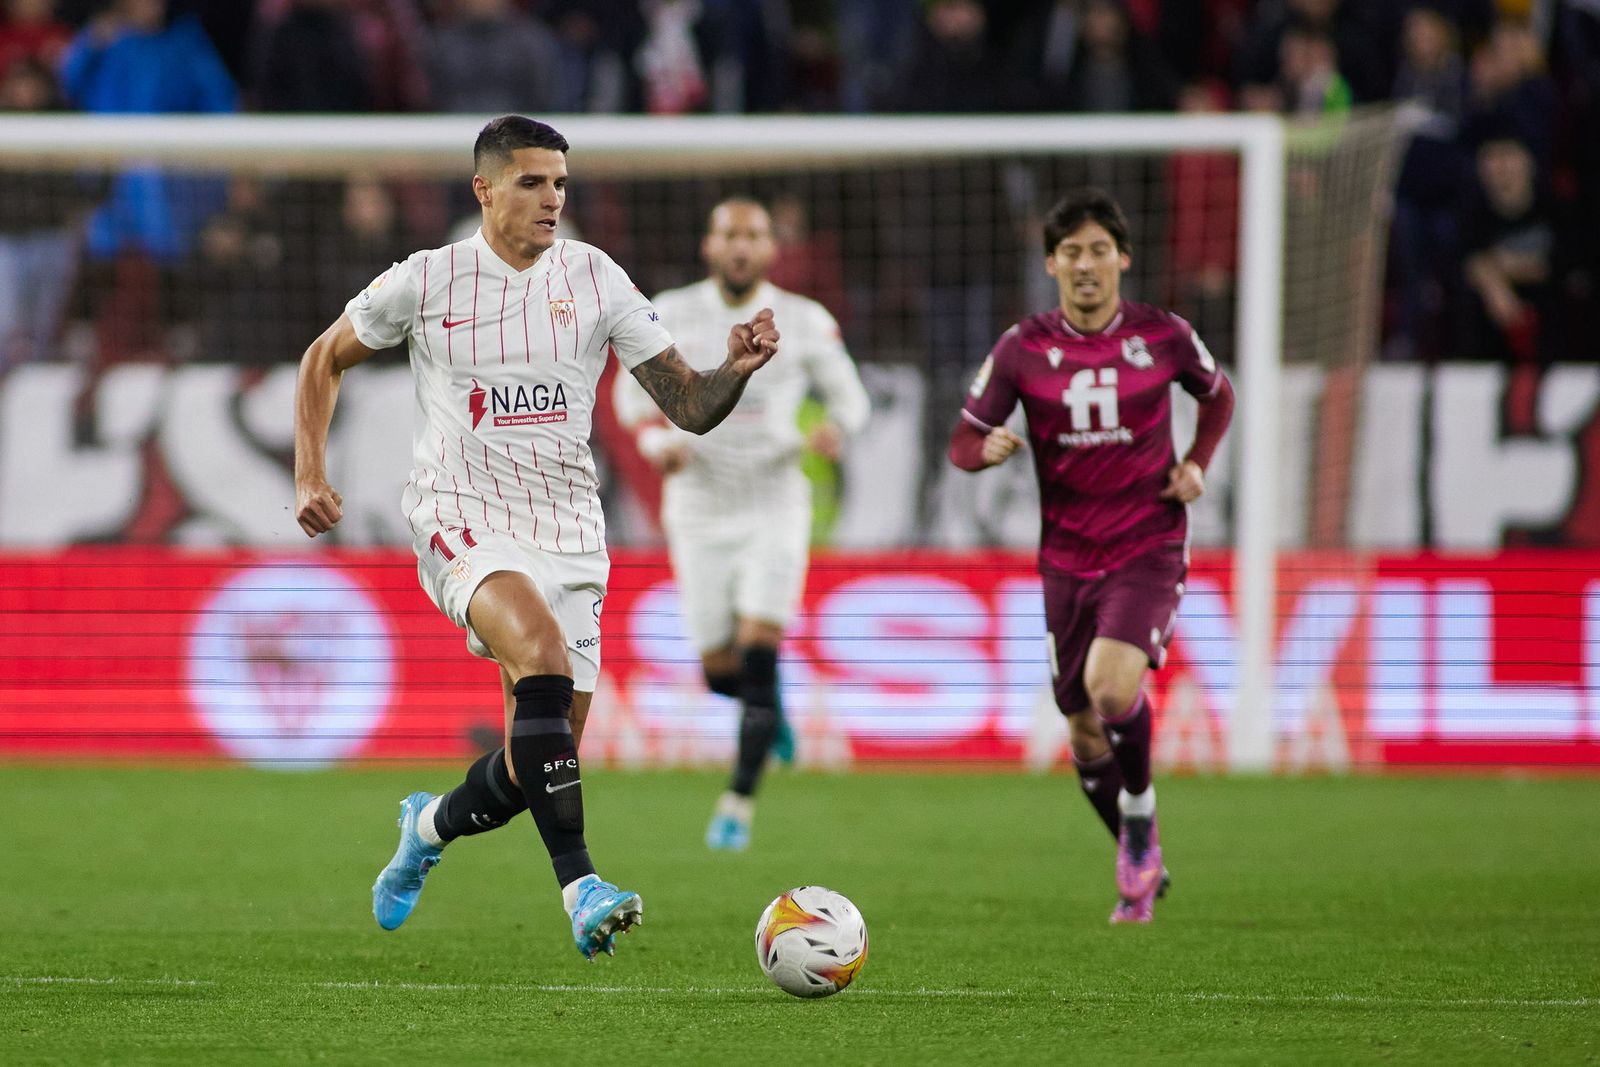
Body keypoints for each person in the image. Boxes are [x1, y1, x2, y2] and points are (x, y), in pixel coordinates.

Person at [293, 116, 781, 960]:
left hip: (568, 530)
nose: (553, 197)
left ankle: (428, 825)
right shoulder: (429, 280)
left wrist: (733, 368)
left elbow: (689, 406)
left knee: (537, 762)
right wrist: (308, 472)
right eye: (532, 181)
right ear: (484, 189)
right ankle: (582, 886)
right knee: (544, 663)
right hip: (460, 514)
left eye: (560, 182)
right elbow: (321, 357)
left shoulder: (595, 279)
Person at [948, 189, 1233, 924]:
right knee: (1078, 725)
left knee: (1111, 690)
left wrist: (1197, 462)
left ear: (1122, 259)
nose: (1085, 264)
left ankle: (1139, 817)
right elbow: (962, 440)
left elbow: (1218, 394)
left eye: (1098, 250)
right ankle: (1142, 859)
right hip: (1066, 558)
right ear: (1050, 263)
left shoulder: (1163, 334)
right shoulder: (1022, 347)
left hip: (1148, 542)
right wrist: (989, 449)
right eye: (1070, 251)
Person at [613, 197, 869, 851]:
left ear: (770, 248)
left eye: (753, 235)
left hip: (774, 498)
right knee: (720, 671)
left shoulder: (806, 321)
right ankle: (771, 709)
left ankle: (737, 802)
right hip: (697, 500)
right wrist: (654, 443)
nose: (740, 245)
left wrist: (837, 429)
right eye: (729, 233)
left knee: (758, 652)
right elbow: (626, 396)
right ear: (709, 245)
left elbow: (852, 398)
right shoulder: (670, 311)